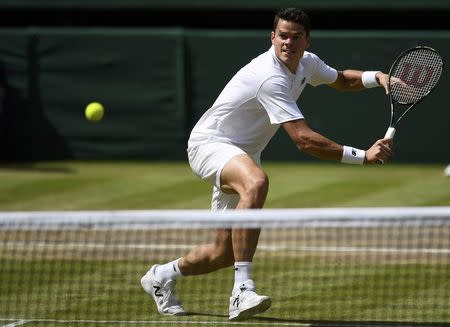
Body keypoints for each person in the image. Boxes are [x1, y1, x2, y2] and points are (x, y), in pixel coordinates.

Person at [141, 7, 394, 321]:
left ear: (306, 41)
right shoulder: (268, 77)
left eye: (296, 37)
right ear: (272, 37)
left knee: (223, 254)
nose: (288, 42)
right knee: (257, 182)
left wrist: (377, 77)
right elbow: (303, 139)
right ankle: (241, 290)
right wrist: (363, 156)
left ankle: (160, 276)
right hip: (210, 143)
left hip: (243, 154)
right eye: (283, 36)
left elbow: (341, 80)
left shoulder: (307, 63)